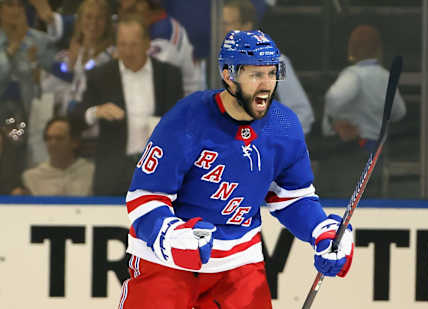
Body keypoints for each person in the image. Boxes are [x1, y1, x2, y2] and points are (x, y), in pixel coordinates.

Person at [117, 30, 354, 308]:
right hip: (167, 263)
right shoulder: (188, 118)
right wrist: (171, 235)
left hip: (238, 266)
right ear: (229, 76)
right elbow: (144, 198)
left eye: (271, 73)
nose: (267, 84)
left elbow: (292, 198)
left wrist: (321, 230)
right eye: (255, 75)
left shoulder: (284, 125)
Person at [71, 14, 183, 196]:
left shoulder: (169, 75)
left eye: (133, 45)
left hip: (158, 169)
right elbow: (76, 117)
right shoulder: (101, 76)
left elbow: (182, 120)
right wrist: (96, 111)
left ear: (147, 44)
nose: (128, 52)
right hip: (113, 171)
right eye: (122, 45)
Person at [319, 25, 406, 197]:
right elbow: (399, 111)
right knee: (371, 200)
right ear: (378, 49)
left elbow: (333, 97)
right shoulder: (386, 76)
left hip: (354, 151)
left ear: (352, 49)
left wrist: (334, 122)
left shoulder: (354, 75)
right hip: (377, 151)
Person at [222, 0, 314, 135]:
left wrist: (272, 141)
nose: (220, 29)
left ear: (246, 27)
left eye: (226, 24)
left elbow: (303, 114)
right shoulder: (212, 65)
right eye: (219, 23)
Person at [19, 116, 94, 196]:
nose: (52, 144)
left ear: (75, 142)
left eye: (59, 138)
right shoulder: (31, 178)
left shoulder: (91, 173)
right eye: (49, 138)